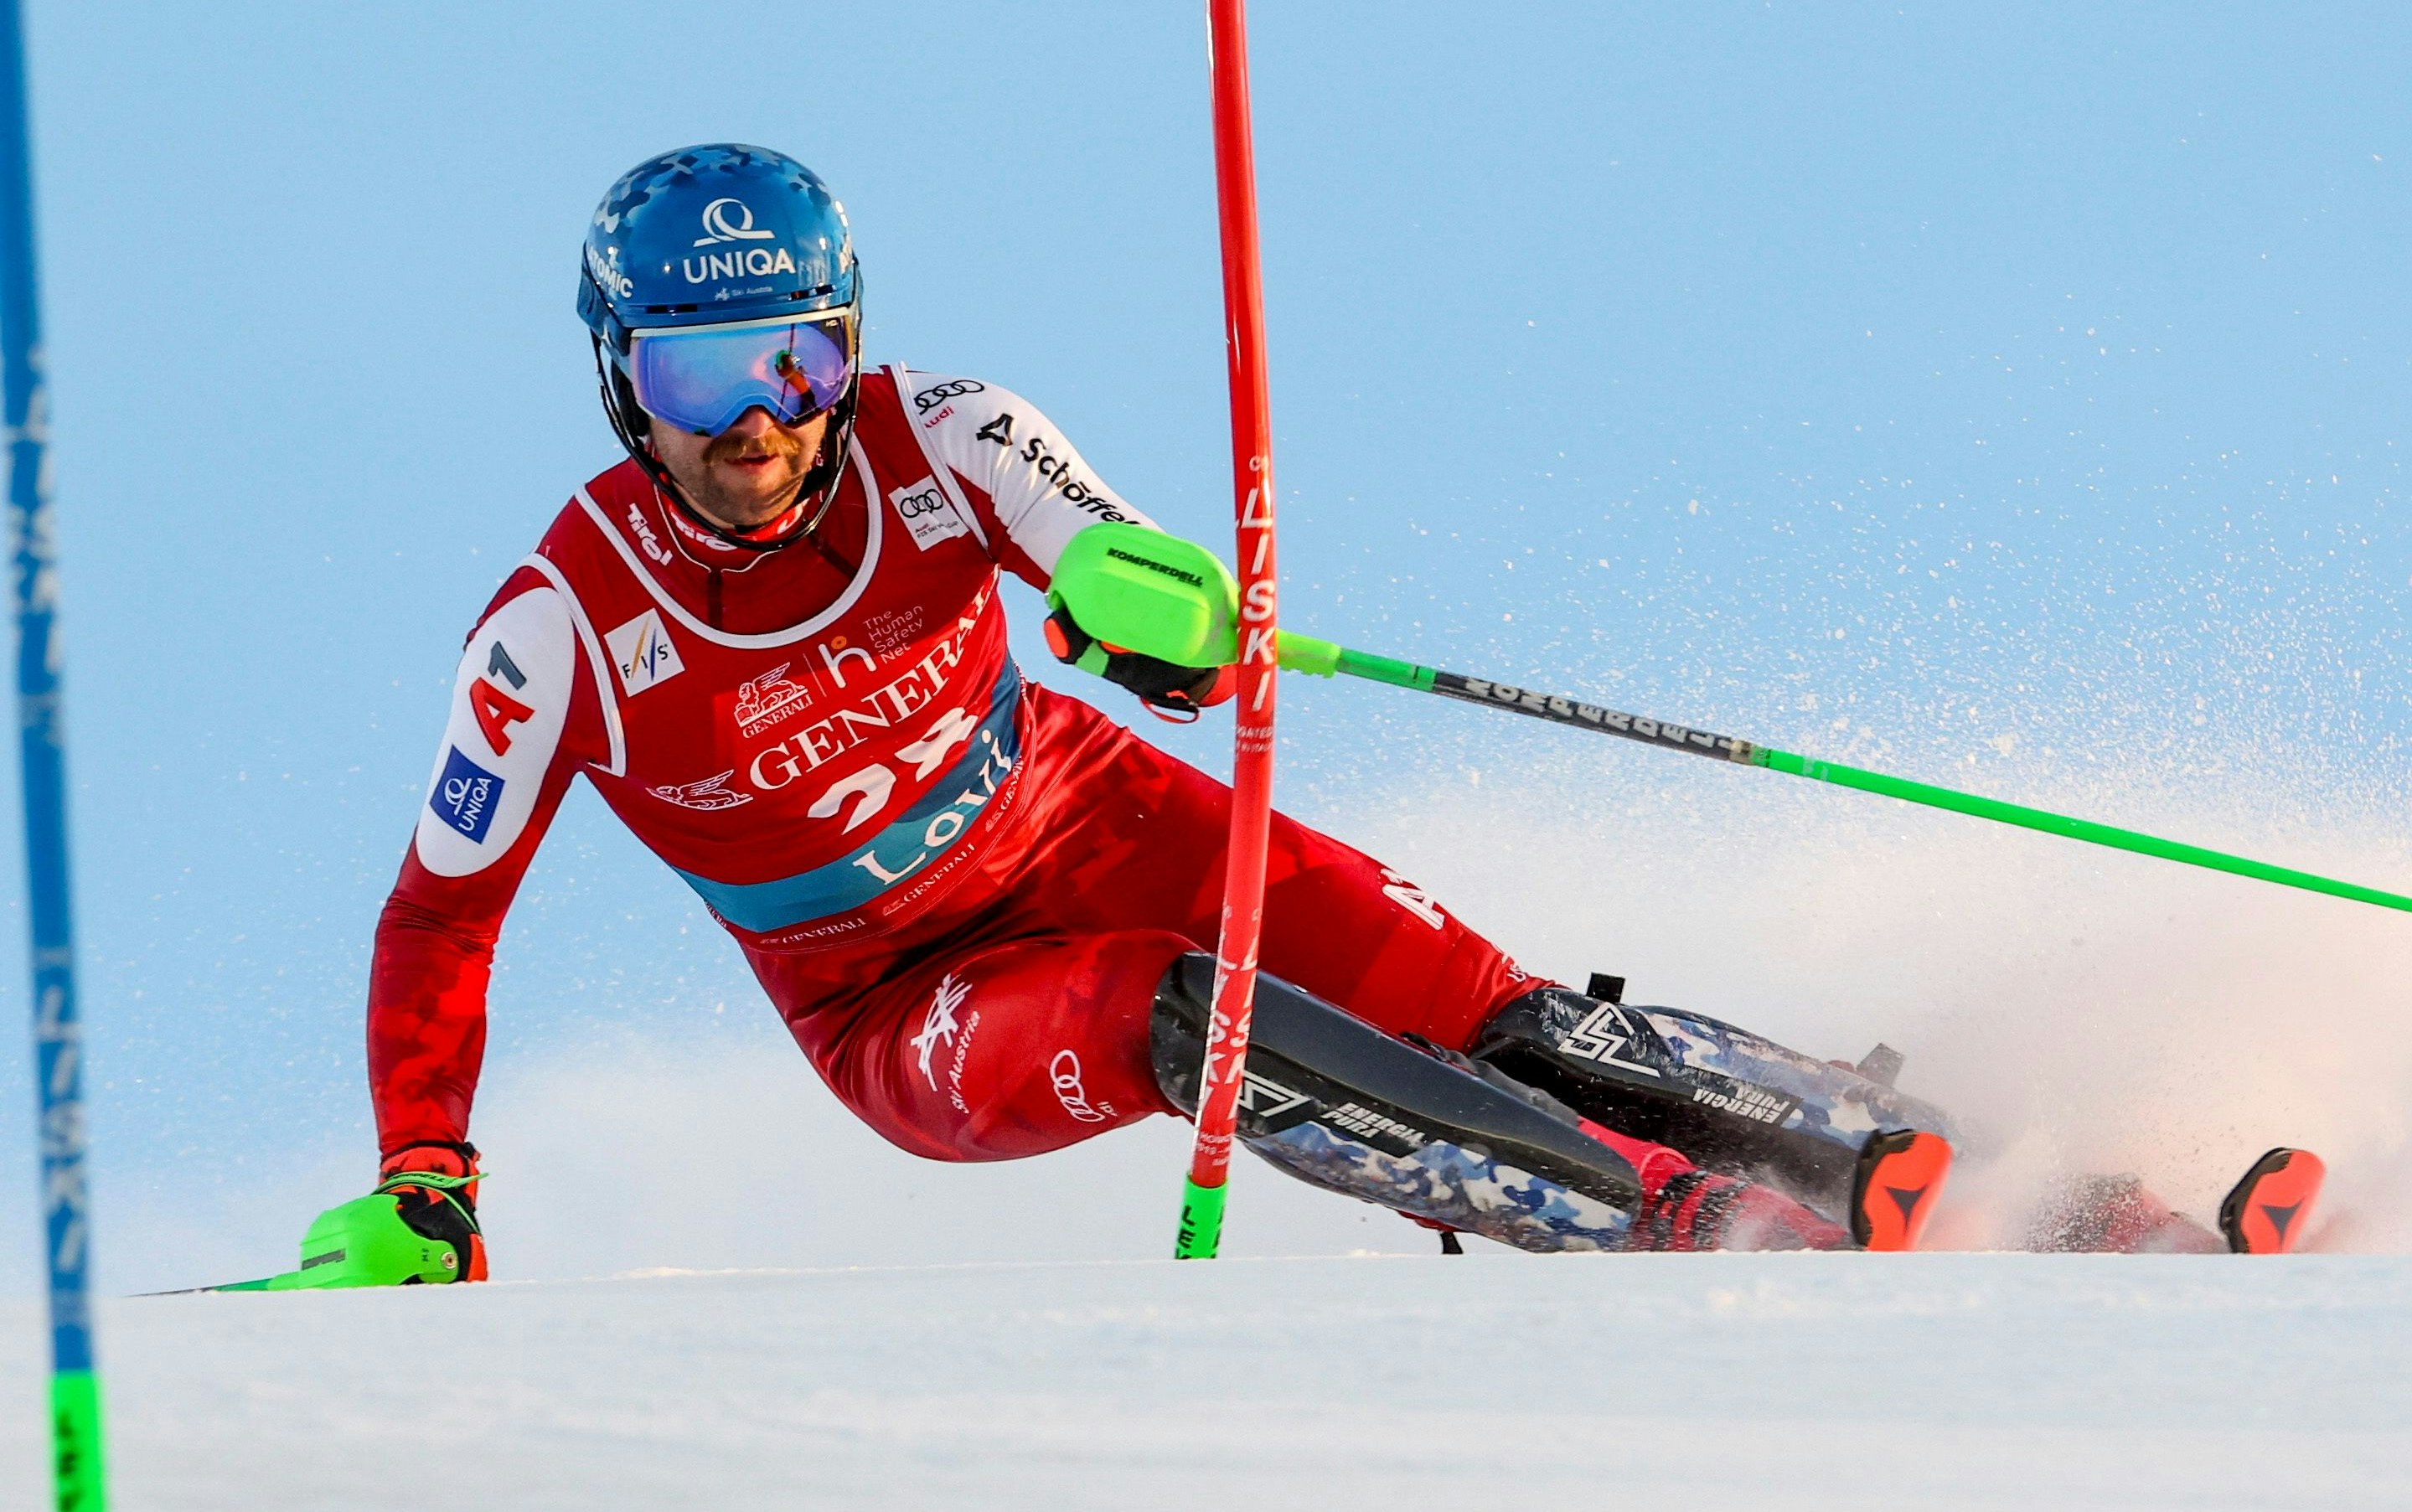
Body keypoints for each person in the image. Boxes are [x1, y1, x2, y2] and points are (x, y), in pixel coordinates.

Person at [356, 143, 2296, 1283]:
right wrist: (428, 1178)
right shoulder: (559, 629)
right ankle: (1670, 1229)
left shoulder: (935, 433)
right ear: (623, 384)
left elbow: (1121, 554)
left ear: (844, 341)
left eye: (793, 358)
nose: (761, 424)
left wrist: (1158, 616)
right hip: (897, 1000)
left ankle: (2022, 1188)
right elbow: (443, 913)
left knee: (1494, 1010)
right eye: (703, 379)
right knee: (1180, 1018)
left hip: (1083, 805)